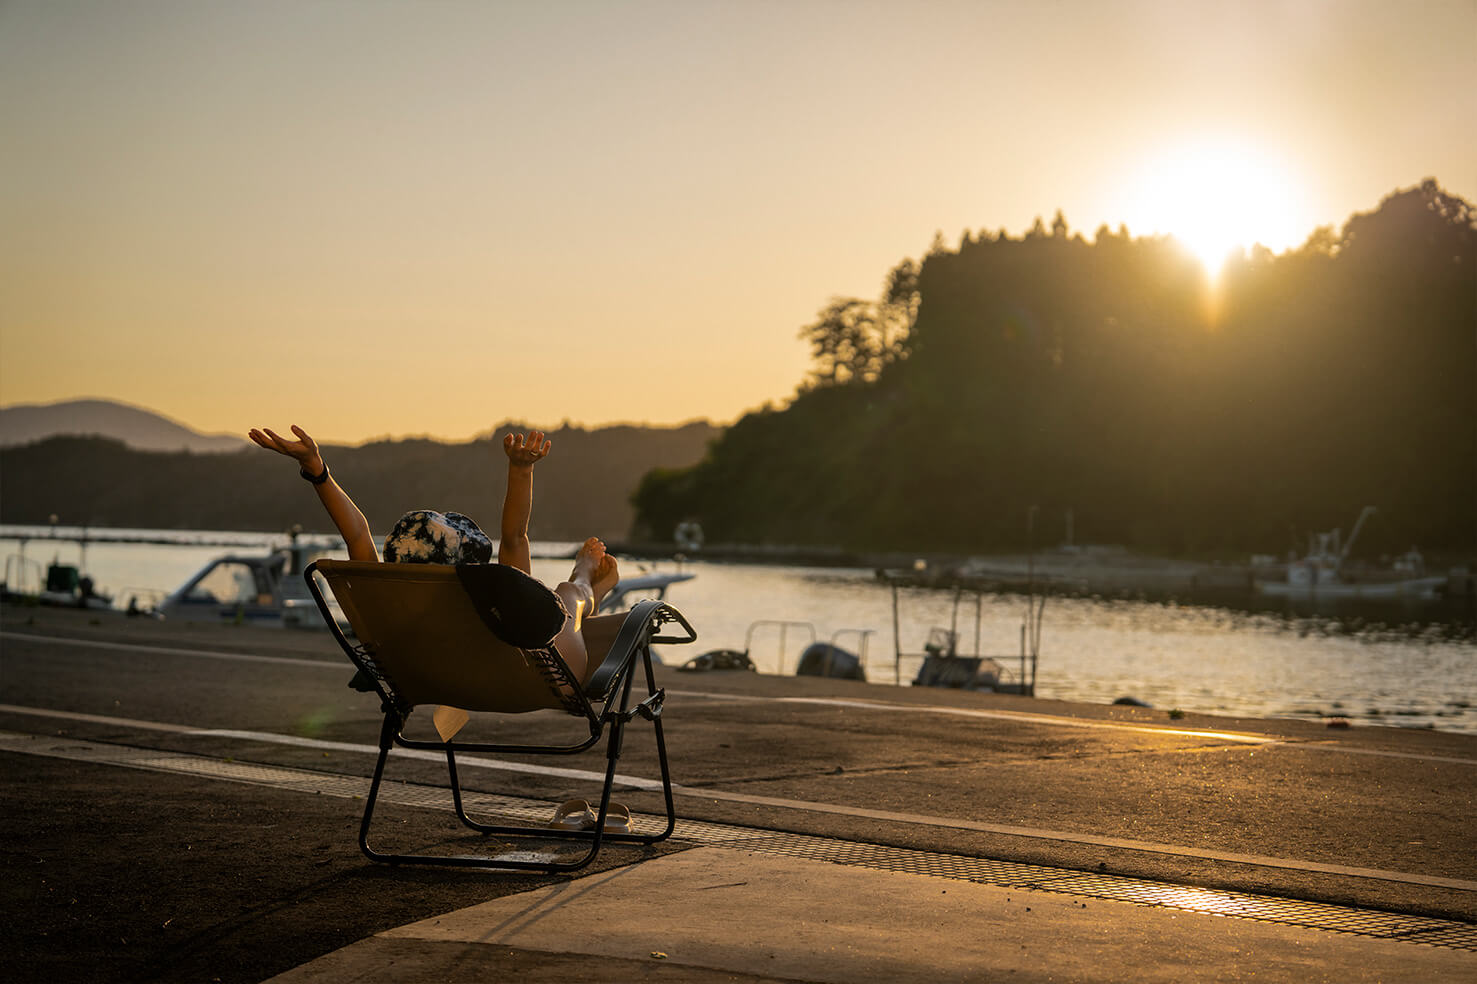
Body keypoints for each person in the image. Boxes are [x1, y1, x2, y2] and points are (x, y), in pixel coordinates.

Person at [247, 424, 624, 690]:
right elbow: (515, 536)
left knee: (557, 600)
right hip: (522, 680)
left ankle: (582, 584)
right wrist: (521, 469)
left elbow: (358, 532)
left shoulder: (387, 595)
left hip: (431, 682)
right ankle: (586, 577)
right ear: (474, 563)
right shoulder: (500, 594)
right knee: (567, 596)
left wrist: (317, 470)